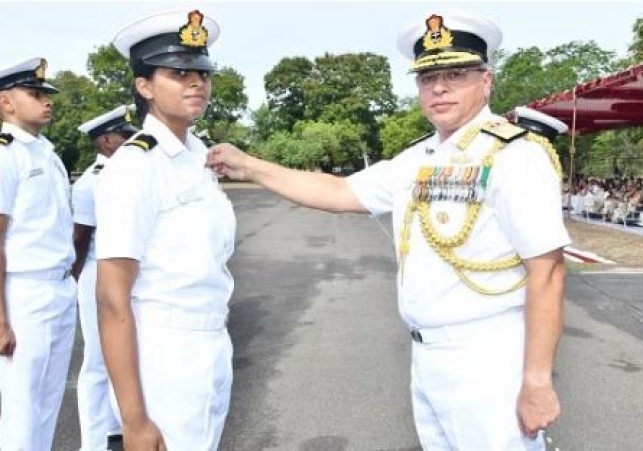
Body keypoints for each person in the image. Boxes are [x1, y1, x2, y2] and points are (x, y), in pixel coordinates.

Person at [208, 11, 569, 451]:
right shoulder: (418, 158)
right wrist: (248, 165)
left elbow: (547, 271)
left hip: (489, 357)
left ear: (486, 81)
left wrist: (537, 382)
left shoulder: (515, 156)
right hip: (426, 355)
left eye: (455, 75)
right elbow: (339, 191)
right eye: (427, 78)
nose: (438, 88)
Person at [95, 9, 235, 450]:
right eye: (178, 72)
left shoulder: (199, 157)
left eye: (202, 72)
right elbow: (111, 296)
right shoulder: (136, 165)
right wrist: (134, 420)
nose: (196, 82)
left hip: (213, 342)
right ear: (144, 86)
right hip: (164, 352)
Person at [0, 57, 77, 450]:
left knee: (48, 402)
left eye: (47, 94)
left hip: (59, 289)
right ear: (6, 102)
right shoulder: (6, 154)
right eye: (35, 94)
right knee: (20, 407)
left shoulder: (45, 151)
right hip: (25, 293)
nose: (46, 102)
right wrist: (0, 319)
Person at [73, 104, 138, 451]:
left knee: (128, 353)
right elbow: (79, 241)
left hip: (129, 272)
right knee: (98, 360)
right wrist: (81, 281)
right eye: (126, 137)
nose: (133, 141)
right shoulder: (90, 183)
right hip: (97, 272)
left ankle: (118, 429)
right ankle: (93, 441)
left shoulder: (132, 174)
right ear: (108, 141)